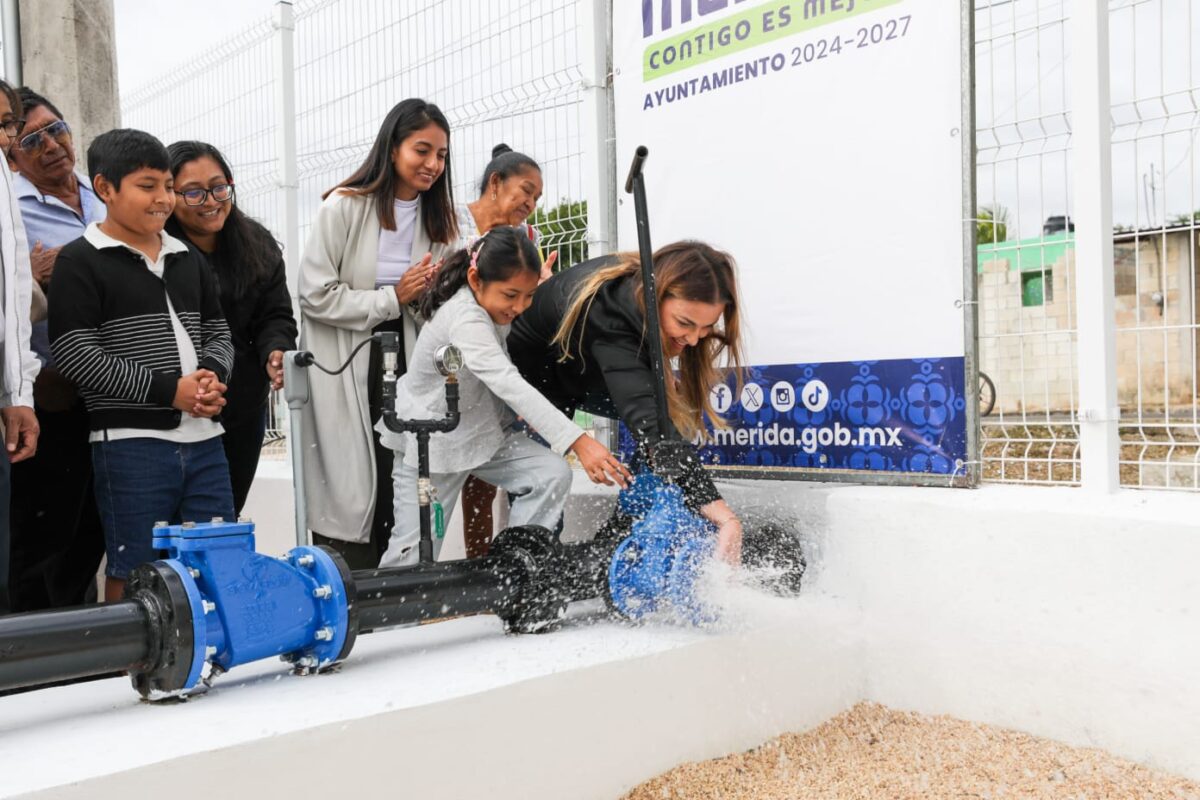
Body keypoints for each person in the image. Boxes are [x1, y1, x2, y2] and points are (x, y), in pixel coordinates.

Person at [48, 128, 235, 600]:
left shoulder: (185, 256)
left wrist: (214, 374)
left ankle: (206, 658)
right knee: (136, 568)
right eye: (147, 186)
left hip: (206, 439)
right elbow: (74, 352)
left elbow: (218, 329)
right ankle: (127, 669)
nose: (164, 199)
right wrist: (169, 391)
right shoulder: (80, 260)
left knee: (214, 555)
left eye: (168, 186)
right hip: (130, 444)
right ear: (104, 188)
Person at [377, 226, 629, 567]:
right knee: (413, 555)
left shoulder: (491, 306)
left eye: (527, 295)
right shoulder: (465, 316)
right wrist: (579, 442)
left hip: (482, 431)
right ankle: (389, 614)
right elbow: (504, 378)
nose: (521, 306)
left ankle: (516, 572)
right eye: (511, 295)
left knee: (549, 474)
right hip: (433, 441)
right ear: (475, 279)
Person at [508, 241, 747, 563]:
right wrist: (722, 513)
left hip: (582, 366)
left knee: (669, 417)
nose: (692, 340)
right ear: (656, 294)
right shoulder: (612, 312)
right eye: (685, 324)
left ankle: (617, 540)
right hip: (532, 374)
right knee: (544, 476)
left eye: (705, 329)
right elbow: (651, 425)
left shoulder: (642, 305)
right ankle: (534, 568)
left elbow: (657, 427)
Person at [298, 98, 457, 569]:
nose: (432, 164)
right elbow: (314, 293)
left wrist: (431, 297)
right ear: (392, 149)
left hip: (412, 358)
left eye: (442, 155)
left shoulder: (439, 219)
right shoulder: (344, 207)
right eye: (422, 150)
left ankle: (399, 579)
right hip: (351, 360)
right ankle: (348, 584)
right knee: (353, 469)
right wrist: (394, 298)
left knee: (404, 462)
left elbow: (440, 303)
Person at [5, 87, 107, 610]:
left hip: (114, 389)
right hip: (51, 393)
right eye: (31, 138)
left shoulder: (102, 193)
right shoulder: (11, 210)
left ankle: (82, 645)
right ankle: (39, 655)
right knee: (46, 531)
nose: (50, 145)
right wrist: (36, 278)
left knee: (95, 527)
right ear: (12, 153)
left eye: (56, 129)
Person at [166, 141, 298, 515]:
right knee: (173, 530)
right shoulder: (159, 251)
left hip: (241, 407)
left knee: (225, 518)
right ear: (169, 195)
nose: (210, 200)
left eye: (219, 186)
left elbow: (276, 314)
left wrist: (275, 349)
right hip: (176, 412)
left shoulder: (257, 245)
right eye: (193, 192)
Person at [456, 143, 557, 558]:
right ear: (495, 183)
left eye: (536, 199)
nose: (530, 204)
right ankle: (468, 566)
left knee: (492, 474)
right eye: (526, 191)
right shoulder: (451, 225)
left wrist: (541, 288)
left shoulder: (525, 239)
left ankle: (498, 569)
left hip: (505, 365)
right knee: (456, 477)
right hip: (458, 367)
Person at [0, 79, 41, 614]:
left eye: (6, 123)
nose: (5, 138)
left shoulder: (4, 185)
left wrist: (19, 392)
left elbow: (11, 298)